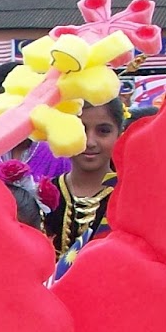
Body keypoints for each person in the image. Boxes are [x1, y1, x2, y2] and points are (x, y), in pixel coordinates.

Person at [45, 99, 124, 253]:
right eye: (80, 130)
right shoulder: (42, 196)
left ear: (119, 135)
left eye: (103, 131)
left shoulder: (131, 198)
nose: (90, 142)